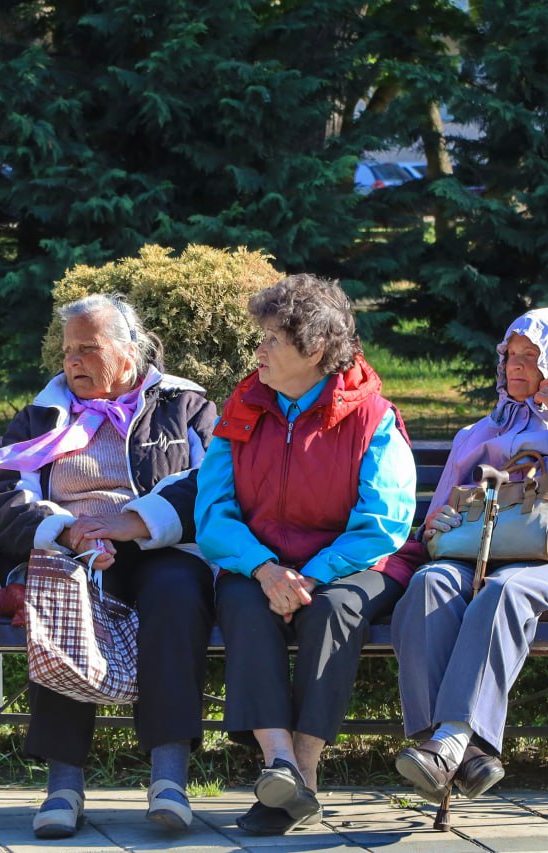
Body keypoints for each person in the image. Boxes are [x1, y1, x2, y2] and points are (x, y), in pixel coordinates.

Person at [0, 293, 218, 838]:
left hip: (161, 547)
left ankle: (169, 778)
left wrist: (134, 522)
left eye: (88, 348)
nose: (73, 361)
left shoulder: (185, 406)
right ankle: (63, 786)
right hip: (72, 547)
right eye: (68, 351)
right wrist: (65, 530)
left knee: (178, 595)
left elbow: (212, 483)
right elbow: (4, 496)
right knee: (64, 593)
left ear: (130, 352)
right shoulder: (40, 415)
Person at [391, 307, 548, 805]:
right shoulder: (478, 434)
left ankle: (450, 743)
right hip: (476, 556)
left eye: (532, 356)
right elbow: (437, 519)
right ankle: (455, 754)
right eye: (511, 354)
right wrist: (437, 523)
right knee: (428, 585)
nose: (516, 365)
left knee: (507, 589)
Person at [194, 274, 417, 835]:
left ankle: (305, 774)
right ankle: (280, 766)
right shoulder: (242, 408)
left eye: (271, 338)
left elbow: (383, 522)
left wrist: (310, 578)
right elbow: (213, 513)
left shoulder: (372, 416)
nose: (259, 350)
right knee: (243, 603)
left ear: (315, 349)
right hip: (260, 562)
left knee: (332, 610)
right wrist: (268, 570)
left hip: (354, 564)